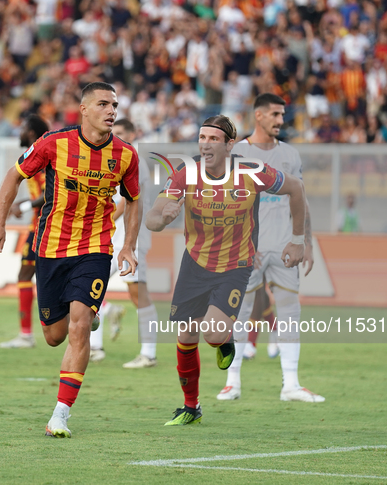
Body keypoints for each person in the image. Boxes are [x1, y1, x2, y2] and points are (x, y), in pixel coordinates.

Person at [0, 82, 140, 438]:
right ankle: (91, 313)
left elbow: (134, 199)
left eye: (114, 104)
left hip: (95, 248)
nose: (111, 110)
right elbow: (14, 175)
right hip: (50, 248)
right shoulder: (54, 142)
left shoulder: (126, 155)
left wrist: (128, 245)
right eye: (103, 104)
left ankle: (60, 414)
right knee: (54, 335)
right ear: (84, 109)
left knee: (79, 325)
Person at [146, 114, 307, 425]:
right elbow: (153, 217)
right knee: (186, 334)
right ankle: (191, 407)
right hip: (195, 263)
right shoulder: (186, 173)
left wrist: (297, 241)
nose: (205, 144)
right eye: (202, 138)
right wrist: (164, 217)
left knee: (213, 333)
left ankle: (225, 339)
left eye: (213, 139)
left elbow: (296, 189)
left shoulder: (253, 172)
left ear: (230, 144)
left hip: (236, 264)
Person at [217, 93, 324, 403]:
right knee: (238, 311)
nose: (281, 120)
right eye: (275, 114)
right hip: (246, 248)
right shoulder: (235, 152)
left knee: (290, 310)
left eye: (283, 114)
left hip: (284, 247)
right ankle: (232, 382)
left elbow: (300, 200)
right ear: (259, 116)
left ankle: (291, 384)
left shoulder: (291, 154)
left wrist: (306, 242)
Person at [89, 119, 159, 368]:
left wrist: (101, 222)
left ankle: (149, 353)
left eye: (120, 133)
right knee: (91, 290)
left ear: (133, 134)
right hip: (110, 239)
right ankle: (95, 347)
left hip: (132, 238)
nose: (113, 135)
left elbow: (126, 202)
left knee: (138, 294)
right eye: (112, 132)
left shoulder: (135, 160)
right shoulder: (113, 158)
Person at [0, 114, 50, 349]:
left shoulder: (42, 156)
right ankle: (26, 334)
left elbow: (49, 193)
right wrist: (22, 203)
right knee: (31, 275)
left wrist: (24, 205)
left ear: (31, 134)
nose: (19, 132)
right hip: (39, 224)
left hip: (44, 226)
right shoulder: (36, 155)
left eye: (22, 129)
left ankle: (26, 335)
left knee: (27, 276)